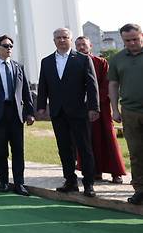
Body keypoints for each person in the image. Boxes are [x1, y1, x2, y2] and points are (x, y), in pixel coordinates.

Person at [37, 28, 99, 198]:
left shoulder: (83, 59)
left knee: (84, 148)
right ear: (54, 40)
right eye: (58, 37)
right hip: (58, 112)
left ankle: (88, 183)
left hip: (79, 111)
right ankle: (70, 181)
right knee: (64, 148)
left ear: (70, 40)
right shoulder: (46, 61)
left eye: (65, 37)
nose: (62, 40)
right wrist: (41, 106)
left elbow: (92, 86)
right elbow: (43, 85)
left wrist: (94, 108)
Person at [0, 35, 35, 196]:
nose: (9, 48)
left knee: (18, 150)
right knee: (0, 150)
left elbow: (26, 91)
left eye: (11, 46)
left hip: (16, 113)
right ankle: (3, 182)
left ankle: (19, 183)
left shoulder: (18, 67)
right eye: (5, 46)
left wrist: (30, 112)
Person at [74, 36, 126, 184]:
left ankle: (116, 173)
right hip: (81, 109)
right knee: (87, 140)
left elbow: (107, 83)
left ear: (90, 45)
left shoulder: (101, 62)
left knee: (108, 139)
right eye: (78, 45)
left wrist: (94, 103)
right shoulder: (73, 63)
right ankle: (94, 171)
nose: (81, 47)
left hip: (101, 108)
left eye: (84, 45)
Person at [109, 23, 143, 205]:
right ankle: (139, 189)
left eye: (135, 39)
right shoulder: (117, 59)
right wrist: (114, 109)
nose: (131, 43)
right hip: (130, 112)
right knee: (136, 153)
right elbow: (113, 85)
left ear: (142, 36)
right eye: (127, 40)